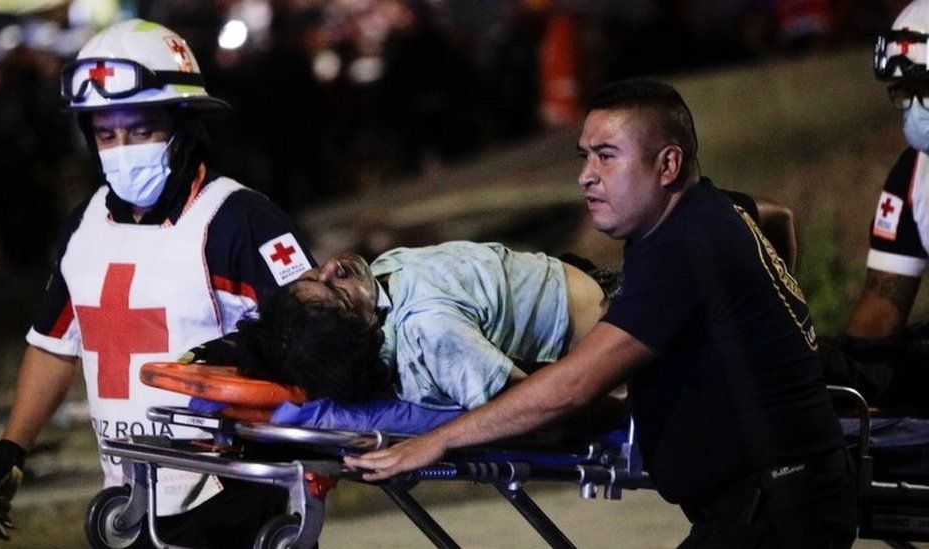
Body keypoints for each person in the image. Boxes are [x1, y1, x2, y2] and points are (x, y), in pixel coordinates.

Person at [344, 79, 857, 547]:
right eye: (584, 156)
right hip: (772, 499)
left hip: (778, 507)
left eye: (607, 157)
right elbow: (775, 212)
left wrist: (438, 441)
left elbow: (573, 386)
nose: (586, 177)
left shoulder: (686, 245)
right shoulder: (705, 213)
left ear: (668, 165)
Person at [0, 19, 316, 547]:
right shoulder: (84, 229)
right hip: (130, 499)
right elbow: (54, 346)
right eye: (106, 134)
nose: (122, 149)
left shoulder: (239, 222)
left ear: (184, 127)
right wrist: (11, 449)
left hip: (235, 494)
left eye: (141, 130)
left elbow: (320, 339)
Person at [215, 241, 615, 413]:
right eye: (337, 291)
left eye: (314, 274)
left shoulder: (381, 286)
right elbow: (528, 406)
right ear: (369, 333)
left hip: (586, 288)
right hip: (606, 330)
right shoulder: (431, 332)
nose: (332, 268)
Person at [828, 0, 929, 410]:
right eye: (906, 92)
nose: (915, 108)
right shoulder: (913, 175)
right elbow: (880, 310)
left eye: (927, 88)